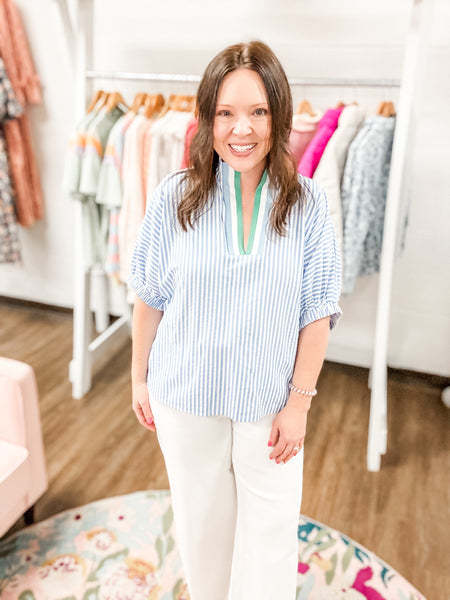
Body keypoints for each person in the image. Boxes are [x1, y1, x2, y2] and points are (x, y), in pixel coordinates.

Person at [129, 40, 342, 600]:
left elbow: (317, 311)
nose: (240, 129)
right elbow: (149, 296)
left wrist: (299, 404)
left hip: (269, 406)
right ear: (207, 119)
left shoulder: (310, 205)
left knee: (269, 540)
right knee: (202, 532)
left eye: (257, 111)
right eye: (225, 113)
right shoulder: (174, 198)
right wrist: (137, 377)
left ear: (279, 115)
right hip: (185, 396)